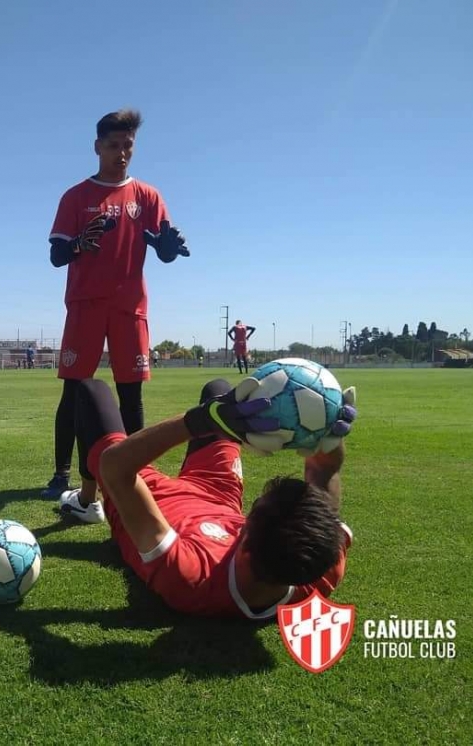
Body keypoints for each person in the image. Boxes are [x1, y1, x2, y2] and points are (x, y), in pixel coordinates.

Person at [57, 376, 357, 618]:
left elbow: (115, 468)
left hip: (148, 498)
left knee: (90, 389)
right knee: (220, 389)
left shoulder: (192, 577)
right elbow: (326, 468)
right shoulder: (320, 566)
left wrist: (204, 420)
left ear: (245, 533)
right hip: (218, 493)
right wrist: (329, 430)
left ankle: (86, 500)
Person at [43, 108, 189, 499]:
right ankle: (61, 475)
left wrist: (168, 249)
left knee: (131, 396)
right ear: (97, 147)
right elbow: (57, 256)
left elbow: (164, 251)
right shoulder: (76, 196)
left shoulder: (148, 196)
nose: (121, 153)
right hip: (86, 306)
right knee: (74, 394)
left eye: (127, 145)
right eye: (113, 145)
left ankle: (135, 474)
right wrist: (78, 243)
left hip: (130, 308)